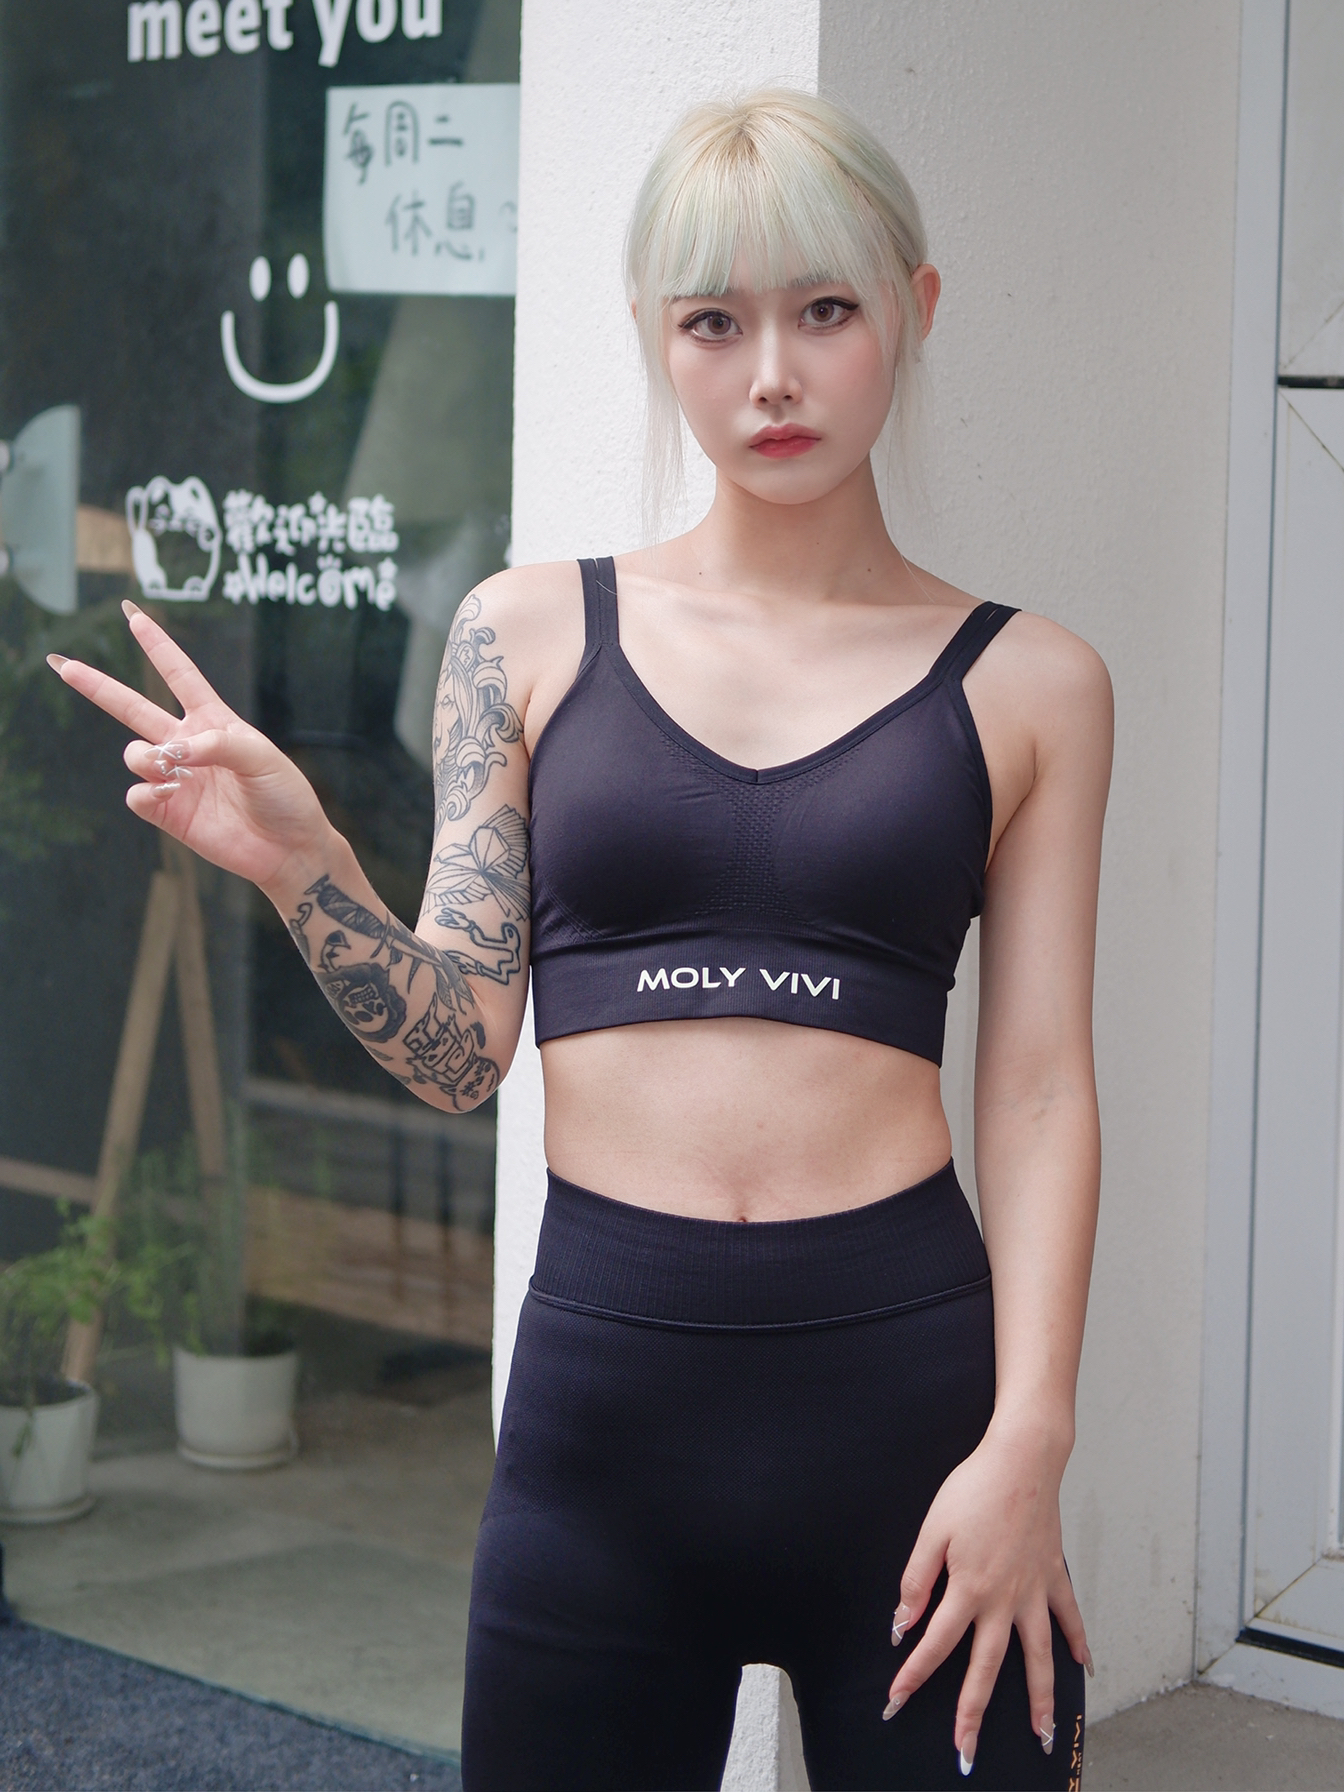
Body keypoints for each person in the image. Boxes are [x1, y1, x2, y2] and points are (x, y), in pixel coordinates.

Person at [52, 88, 1110, 1792]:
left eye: (825, 310)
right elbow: (461, 1053)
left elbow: (1042, 1087)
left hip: (914, 1423)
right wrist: (308, 867)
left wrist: (1030, 1443)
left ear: (913, 310)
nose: (773, 375)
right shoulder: (526, 634)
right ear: (652, 334)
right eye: (715, 322)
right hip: (604, 1429)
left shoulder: (1034, 682)